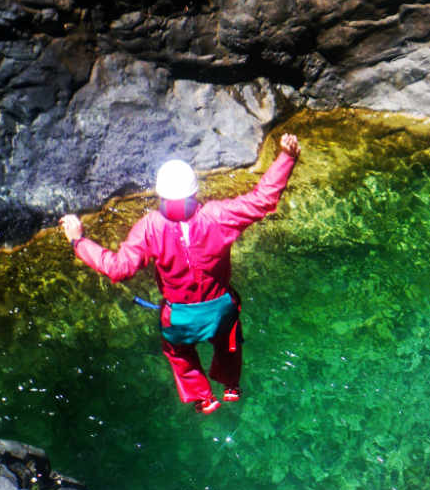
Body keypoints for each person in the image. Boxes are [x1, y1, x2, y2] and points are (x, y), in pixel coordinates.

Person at [59, 133, 301, 414]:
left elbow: (118, 268)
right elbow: (263, 200)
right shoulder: (218, 216)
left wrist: (79, 241)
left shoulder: (149, 227)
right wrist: (286, 157)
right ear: (194, 192)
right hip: (221, 307)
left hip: (180, 316)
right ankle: (232, 387)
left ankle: (204, 399)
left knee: (180, 354)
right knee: (229, 344)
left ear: (160, 194)